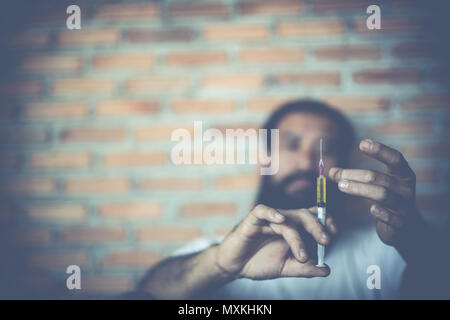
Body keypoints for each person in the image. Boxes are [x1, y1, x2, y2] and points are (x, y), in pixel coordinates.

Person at [135, 100, 450, 300]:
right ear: (265, 158)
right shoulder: (215, 256)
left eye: (324, 149)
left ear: (345, 161)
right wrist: (219, 265)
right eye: (292, 144)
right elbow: (145, 294)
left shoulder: (384, 254)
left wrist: (413, 239)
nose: (306, 161)